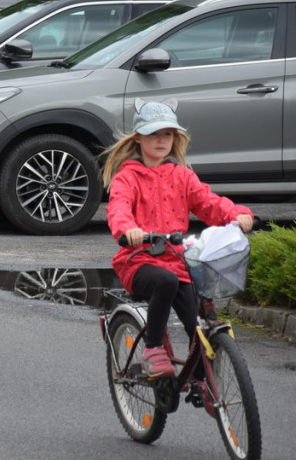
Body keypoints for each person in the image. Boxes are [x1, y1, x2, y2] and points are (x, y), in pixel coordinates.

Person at [102, 100, 254, 377]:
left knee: (195, 320)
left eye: (168, 134)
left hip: (176, 261)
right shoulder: (128, 177)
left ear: (176, 138)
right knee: (165, 282)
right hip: (138, 261)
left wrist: (237, 214)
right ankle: (152, 350)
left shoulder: (182, 176)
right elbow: (119, 207)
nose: (162, 140)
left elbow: (209, 203)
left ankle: (201, 379)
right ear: (138, 138)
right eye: (154, 134)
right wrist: (128, 230)